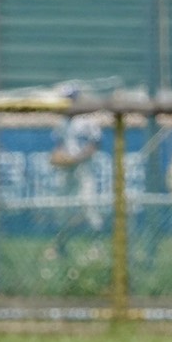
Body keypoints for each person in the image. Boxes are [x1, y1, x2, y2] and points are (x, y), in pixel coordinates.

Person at [47, 82, 105, 251]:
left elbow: (95, 145)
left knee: (89, 205)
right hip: (66, 171)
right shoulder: (61, 122)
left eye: (71, 99)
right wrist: (57, 158)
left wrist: (75, 159)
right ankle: (60, 246)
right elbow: (57, 147)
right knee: (62, 208)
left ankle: (97, 246)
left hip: (84, 169)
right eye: (66, 99)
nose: (69, 102)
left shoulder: (87, 119)